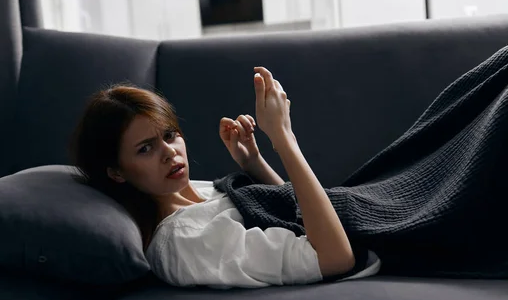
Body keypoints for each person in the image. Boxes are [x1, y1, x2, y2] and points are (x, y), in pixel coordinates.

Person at [70, 67, 380, 288]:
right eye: (146, 149)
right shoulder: (184, 242)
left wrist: (254, 163)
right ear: (116, 172)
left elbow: (291, 212)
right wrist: (284, 139)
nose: (170, 153)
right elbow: (333, 257)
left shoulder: (200, 192)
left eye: (170, 135)